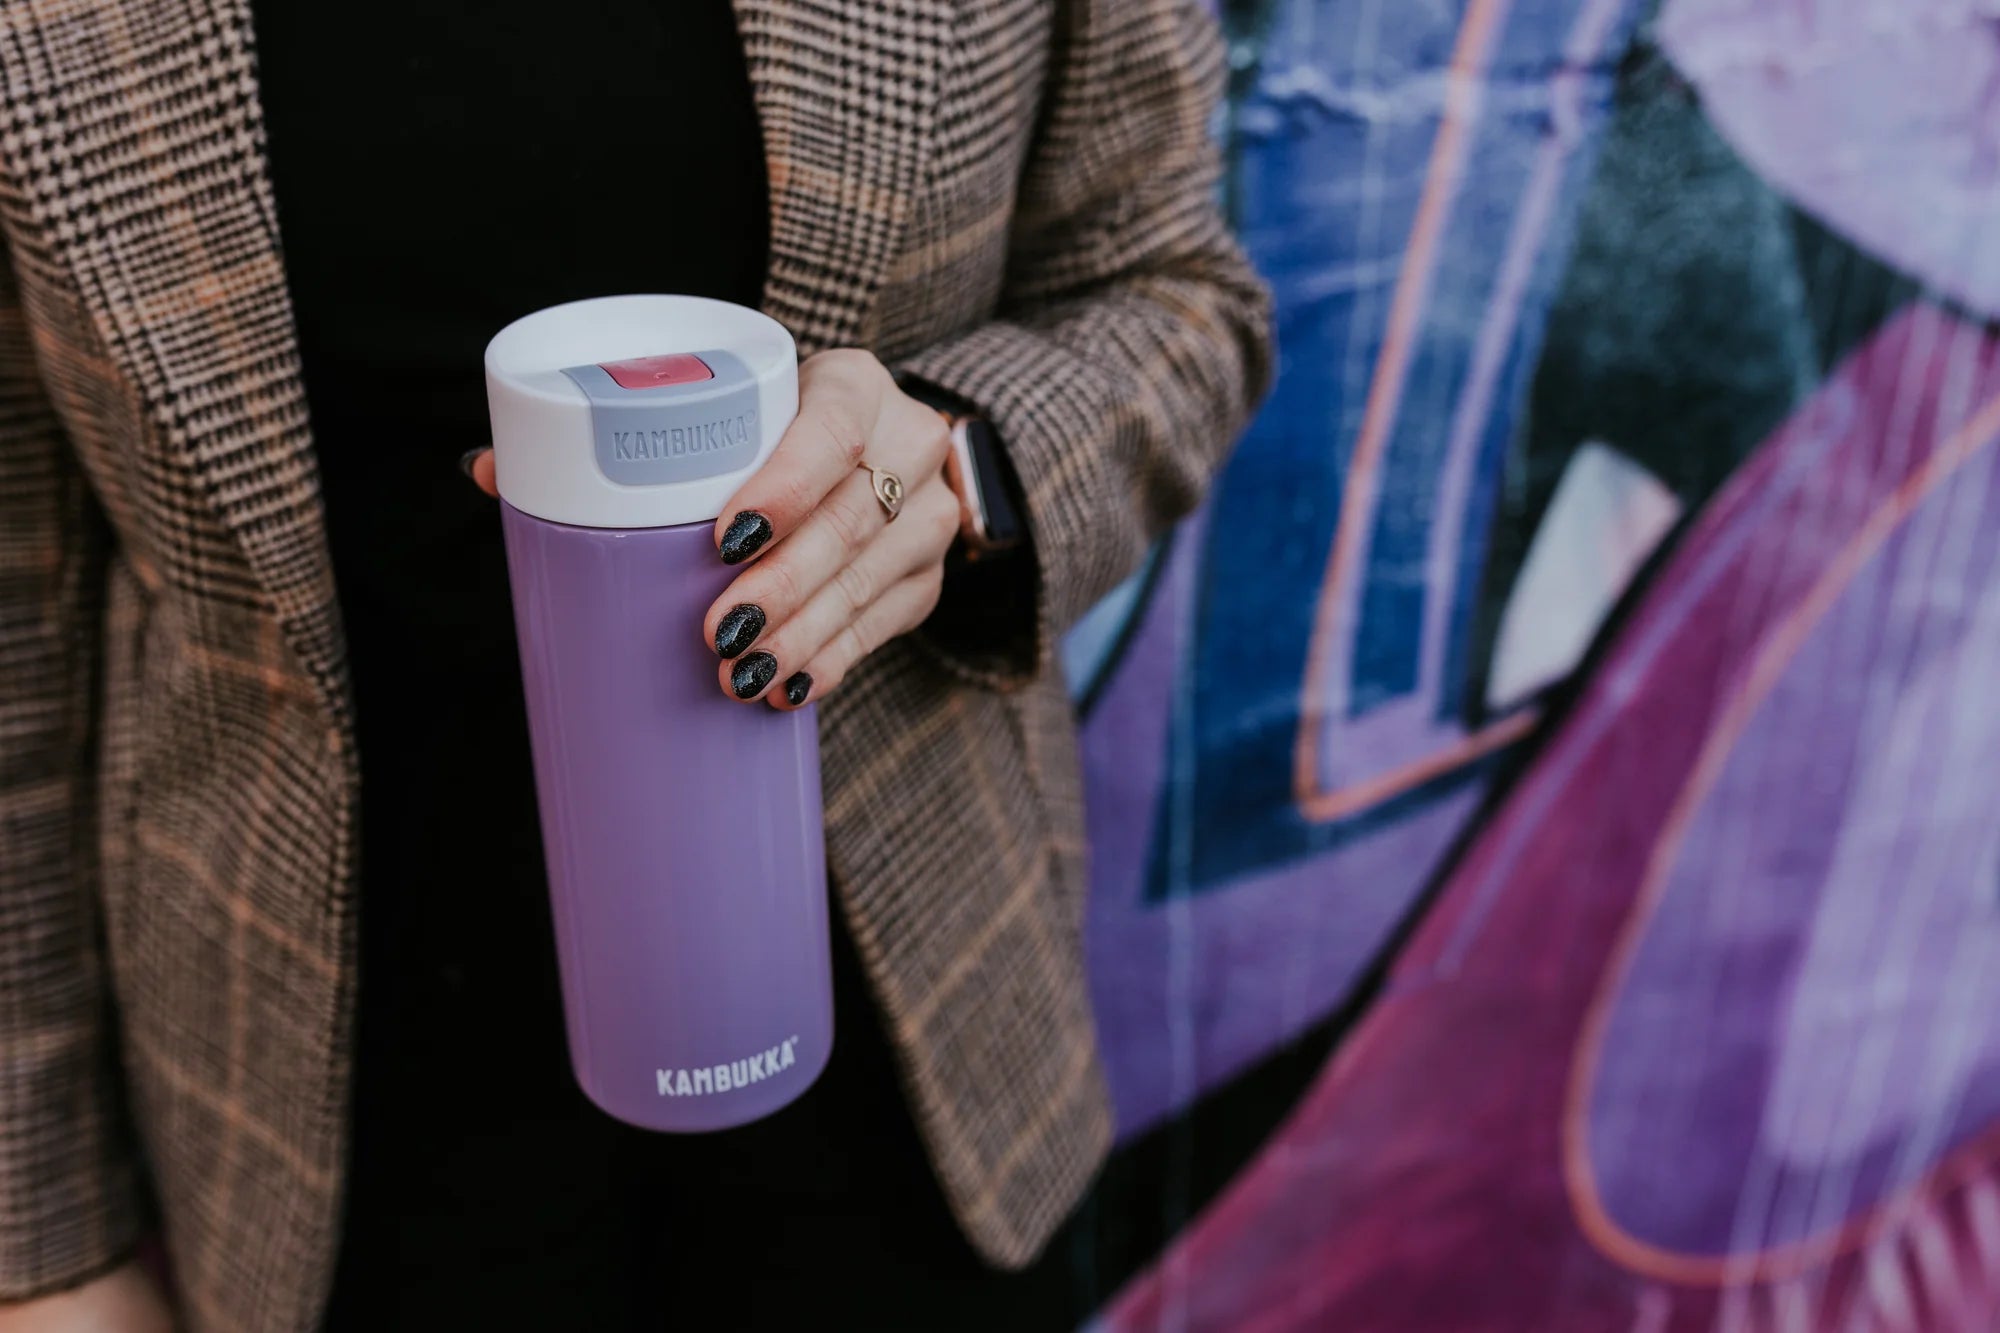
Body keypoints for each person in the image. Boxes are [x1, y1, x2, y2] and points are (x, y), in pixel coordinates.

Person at [0, 1, 1271, 1328]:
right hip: (321, 1074)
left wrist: (961, 468)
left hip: (907, 1031)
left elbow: (1179, 295)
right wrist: (42, 1242)